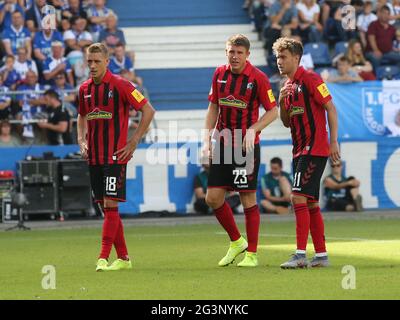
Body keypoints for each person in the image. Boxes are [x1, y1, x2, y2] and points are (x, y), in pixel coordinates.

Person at [77, 43, 155, 272]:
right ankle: (123, 258)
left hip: (115, 155)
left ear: (107, 62)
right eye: (89, 61)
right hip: (94, 157)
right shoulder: (84, 89)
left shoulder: (121, 85)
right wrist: (81, 140)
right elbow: (81, 117)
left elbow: (148, 110)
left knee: (110, 204)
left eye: (96, 61)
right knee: (106, 207)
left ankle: (102, 257)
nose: (92, 65)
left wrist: (134, 141)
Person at [205, 34, 278, 267]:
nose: (234, 56)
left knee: (247, 197)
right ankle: (237, 241)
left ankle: (252, 254)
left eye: (239, 52)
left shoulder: (258, 78)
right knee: (213, 198)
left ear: (247, 54)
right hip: (224, 144)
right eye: (231, 52)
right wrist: (207, 139)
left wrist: (253, 129)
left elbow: (273, 111)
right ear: (226, 53)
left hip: (246, 147)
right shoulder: (219, 74)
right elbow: (213, 107)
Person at [273, 37, 340, 268]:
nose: (279, 61)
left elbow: (330, 107)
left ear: (296, 58)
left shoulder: (311, 78)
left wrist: (334, 142)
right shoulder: (287, 87)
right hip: (299, 150)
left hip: (315, 148)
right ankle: (321, 256)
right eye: (277, 57)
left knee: (297, 197)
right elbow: (286, 123)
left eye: (283, 57)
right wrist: (282, 104)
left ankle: (300, 255)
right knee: (310, 203)